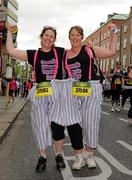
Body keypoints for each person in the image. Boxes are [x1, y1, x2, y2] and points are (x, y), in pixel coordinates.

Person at [6, 24, 65, 173]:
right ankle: (42, 157)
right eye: (46, 35)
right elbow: (11, 50)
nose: (48, 38)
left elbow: (78, 52)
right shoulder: (34, 54)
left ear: (54, 40)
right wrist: (8, 31)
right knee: (40, 125)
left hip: (56, 92)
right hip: (40, 92)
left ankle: (59, 156)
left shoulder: (60, 52)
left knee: (58, 126)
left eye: (51, 36)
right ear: (41, 37)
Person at [63, 24, 118, 169]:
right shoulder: (65, 54)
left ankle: (90, 154)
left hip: (91, 88)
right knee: (74, 124)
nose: (74, 37)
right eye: (72, 35)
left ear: (81, 37)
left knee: (91, 123)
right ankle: (78, 156)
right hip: (73, 91)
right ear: (69, 37)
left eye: (77, 35)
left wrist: (114, 32)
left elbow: (111, 51)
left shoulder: (89, 50)